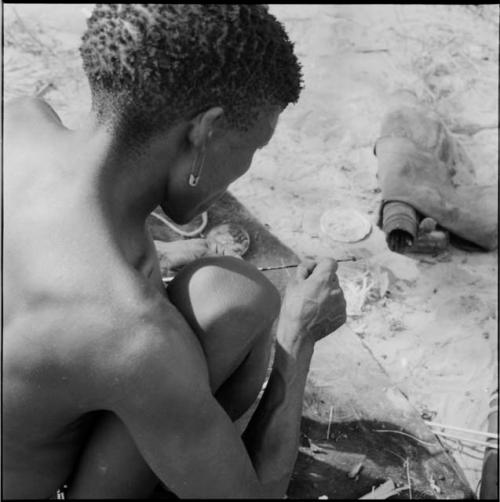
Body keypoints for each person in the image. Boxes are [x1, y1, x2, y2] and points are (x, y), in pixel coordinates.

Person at [3, 4, 347, 498]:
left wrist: (159, 254)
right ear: (205, 130)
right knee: (244, 301)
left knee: (226, 296)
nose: (248, 164)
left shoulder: (18, 124)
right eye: (254, 145)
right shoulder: (134, 337)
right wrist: (298, 340)